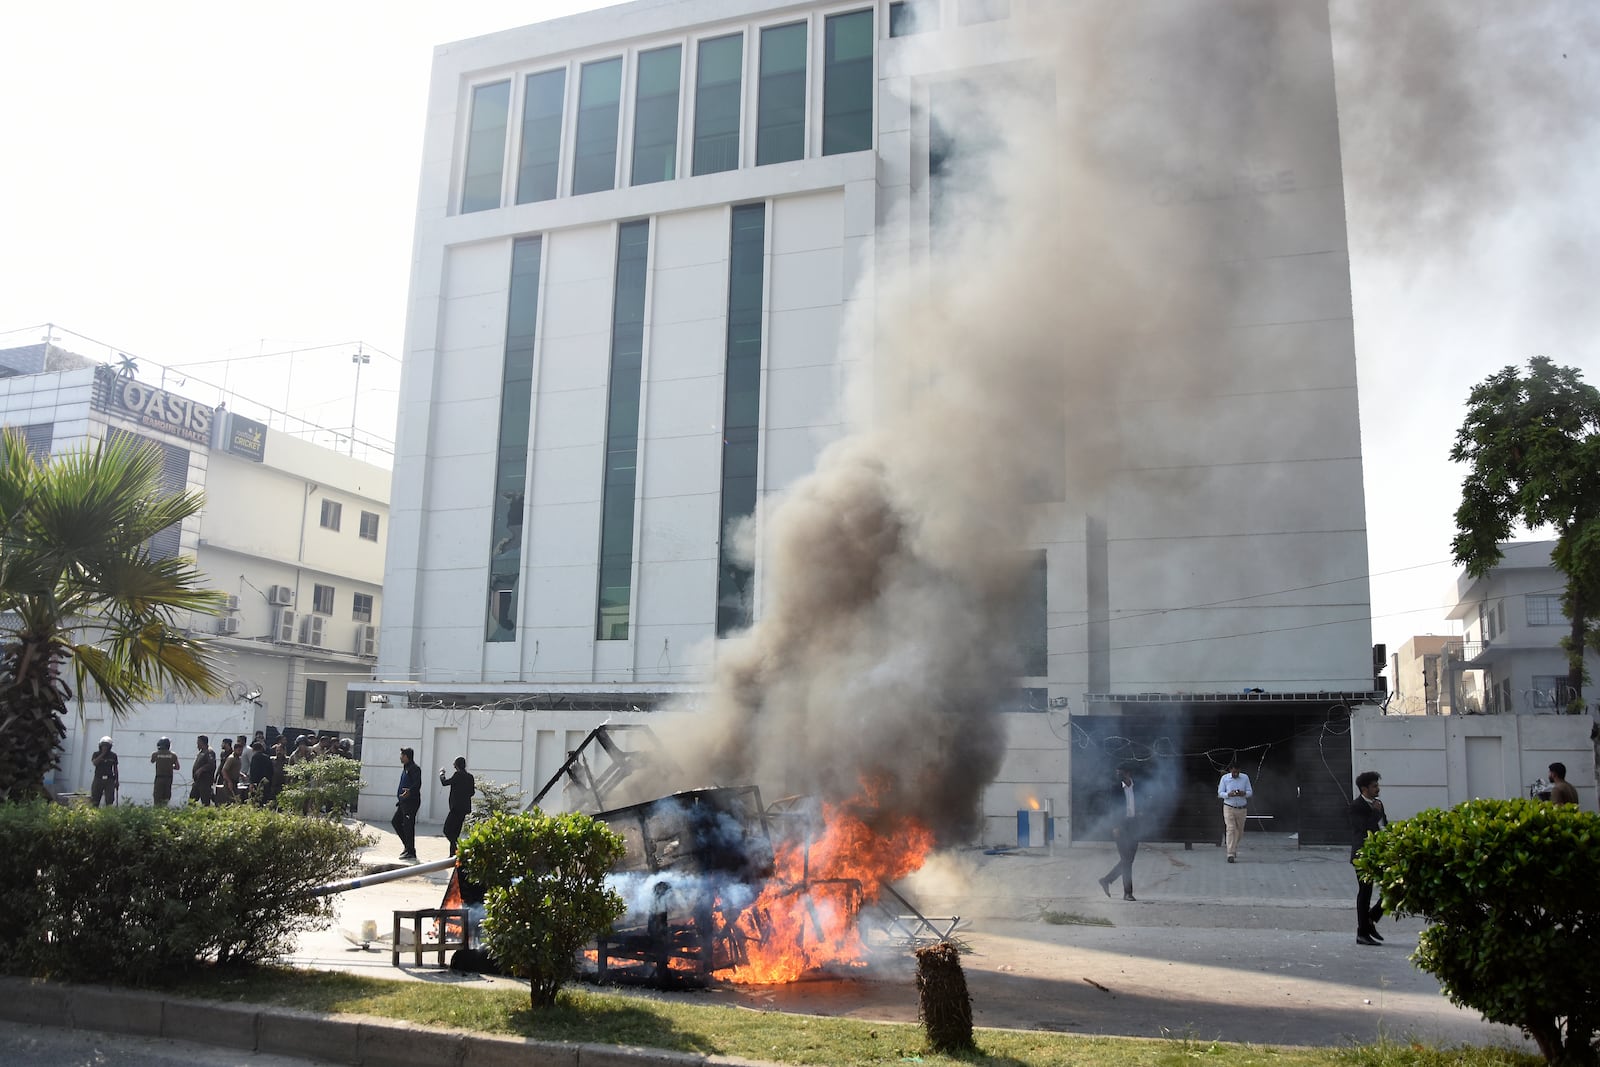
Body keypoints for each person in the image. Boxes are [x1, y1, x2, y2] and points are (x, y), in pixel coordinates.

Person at [1348, 770, 1388, 945]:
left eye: (1377, 785)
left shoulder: (1378, 804)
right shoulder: (1356, 806)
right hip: (1362, 854)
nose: (1377, 789)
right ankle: (1362, 932)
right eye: (1374, 786)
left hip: (1379, 853)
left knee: (1392, 889)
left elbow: (1382, 826)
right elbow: (1364, 828)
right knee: (1365, 892)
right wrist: (1376, 813)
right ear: (1364, 789)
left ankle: (1371, 918)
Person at [1097, 766, 1140, 901]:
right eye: (1116, 772)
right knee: (1126, 860)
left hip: (1134, 825)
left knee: (1129, 860)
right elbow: (1111, 808)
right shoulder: (1115, 789)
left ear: (1128, 773)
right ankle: (1128, 893)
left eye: (1120, 772)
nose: (1118, 775)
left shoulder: (1137, 787)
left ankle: (1106, 880)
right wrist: (1114, 826)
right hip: (1121, 827)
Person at [1217, 760, 1253, 862]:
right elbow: (1220, 793)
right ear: (1230, 770)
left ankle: (1233, 847)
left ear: (1240, 770)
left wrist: (1243, 793)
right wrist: (1228, 794)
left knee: (1240, 831)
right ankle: (1230, 854)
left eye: (1237, 772)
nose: (1235, 774)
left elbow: (1250, 792)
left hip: (1241, 808)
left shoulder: (1245, 777)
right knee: (1231, 829)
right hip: (1229, 807)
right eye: (1234, 772)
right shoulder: (1224, 778)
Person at [439, 757, 476, 856]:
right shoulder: (470, 777)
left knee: (447, 830)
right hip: (464, 809)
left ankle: (456, 848)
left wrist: (441, 774)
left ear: (456, 765)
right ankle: (453, 853)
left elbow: (444, 782)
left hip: (455, 808)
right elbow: (472, 792)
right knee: (455, 832)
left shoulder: (457, 775)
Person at [394, 748, 422, 860]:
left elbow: (417, 784)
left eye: (402, 755)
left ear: (407, 756)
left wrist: (409, 791)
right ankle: (408, 847)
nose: (400, 757)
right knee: (396, 822)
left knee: (408, 826)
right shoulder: (405, 768)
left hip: (411, 802)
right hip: (403, 802)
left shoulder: (414, 769)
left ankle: (411, 852)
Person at [149, 737, 181, 807]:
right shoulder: (173, 755)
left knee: (157, 798)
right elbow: (177, 767)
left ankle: (157, 813)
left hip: (159, 778)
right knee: (166, 798)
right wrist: (169, 766)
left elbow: (152, 761)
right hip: (168, 779)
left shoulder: (155, 754)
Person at [90, 737, 119, 807]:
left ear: (110, 747)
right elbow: (95, 763)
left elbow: (115, 768)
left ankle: (108, 815)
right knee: (95, 799)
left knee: (109, 799)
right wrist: (102, 754)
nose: (105, 747)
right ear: (100, 746)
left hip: (109, 780)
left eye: (106, 746)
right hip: (98, 778)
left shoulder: (113, 755)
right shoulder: (96, 754)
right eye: (103, 745)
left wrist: (117, 780)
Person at [190, 735, 217, 805]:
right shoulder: (201, 752)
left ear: (202, 742)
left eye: (198, 742)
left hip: (205, 781)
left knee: (205, 801)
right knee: (192, 800)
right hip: (197, 781)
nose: (197, 745)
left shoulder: (209, 752)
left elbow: (211, 765)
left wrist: (201, 770)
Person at [218, 739, 242, 804]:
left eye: (241, 751)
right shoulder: (231, 758)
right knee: (229, 800)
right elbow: (224, 770)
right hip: (229, 782)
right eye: (239, 750)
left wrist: (241, 775)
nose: (240, 752)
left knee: (236, 800)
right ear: (234, 750)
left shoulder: (238, 759)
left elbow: (234, 770)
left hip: (235, 782)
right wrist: (229, 782)